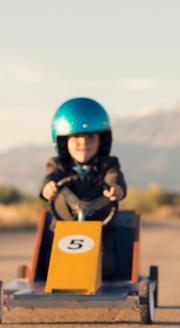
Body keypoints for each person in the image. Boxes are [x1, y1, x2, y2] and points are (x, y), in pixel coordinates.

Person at [40, 97, 127, 279]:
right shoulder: (58, 166)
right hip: (63, 229)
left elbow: (115, 179)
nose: (83, 142)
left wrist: (115, 189)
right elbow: (50, 179)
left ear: (102, 140)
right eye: (76, 137)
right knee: (50, 265)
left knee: (106, 267)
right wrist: (47, 189)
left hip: (100, 229)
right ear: (64, 142)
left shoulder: (108, 164)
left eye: (90, 137)